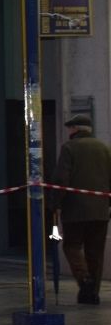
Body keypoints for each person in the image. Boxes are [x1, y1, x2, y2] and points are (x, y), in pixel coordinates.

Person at [51, 114, 111, 304]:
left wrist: (55, 203)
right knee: (96, 252)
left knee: (72, 246)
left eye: (70, 128)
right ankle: (92, 293)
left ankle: (84, 278)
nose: (69, 131)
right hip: (100, 210)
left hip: (74, 210)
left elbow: (62, 179)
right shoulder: (104, 148)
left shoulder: (69, 148)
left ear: (75, 129)